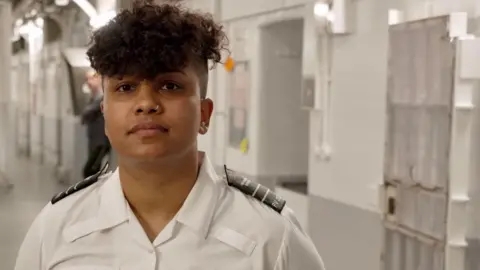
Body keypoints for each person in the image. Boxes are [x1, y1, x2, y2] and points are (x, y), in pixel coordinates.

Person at [14, 1, 325, 269]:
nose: (147, 103)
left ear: (204, 114)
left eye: (170, 86)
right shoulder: (56, 229)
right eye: (126, 87)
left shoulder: (271, 236)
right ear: (105, 115)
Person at [81, 70, 110, 178]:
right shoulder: (93, 97)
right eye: (87, 79)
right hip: (94, 141)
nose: (89, 82)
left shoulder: (102, 97)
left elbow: (86, 113)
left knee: (90, 171)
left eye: (92, 78)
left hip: (101, 142)